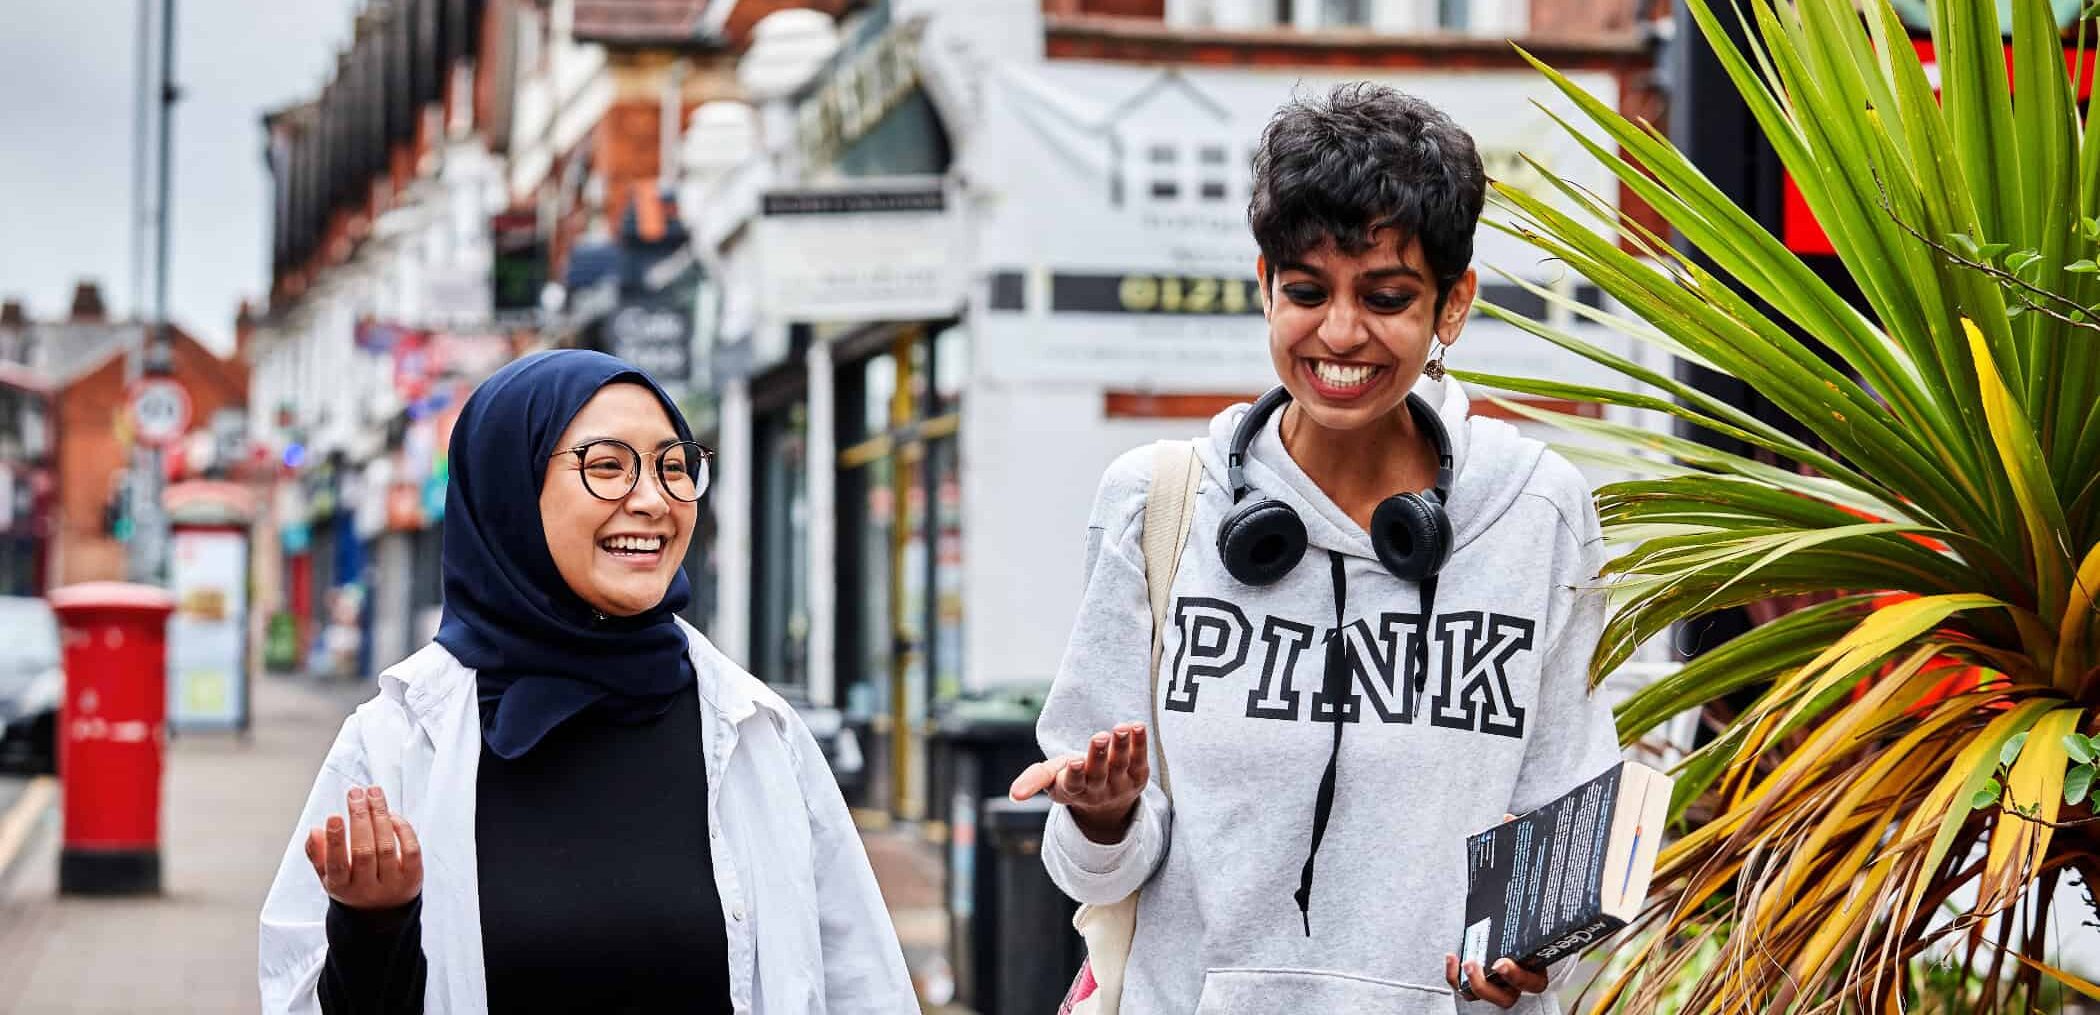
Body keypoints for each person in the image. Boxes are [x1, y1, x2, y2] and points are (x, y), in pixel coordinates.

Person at [1009, 84, 1621, 1013]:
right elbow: (1092, 871)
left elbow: (1572, 807)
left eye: (1386, 297)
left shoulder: (1540, 509)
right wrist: (1101, 812)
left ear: (1452, 305)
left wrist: (1530, 951)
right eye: (1305, 291)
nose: (1339, 332)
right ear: (1265, 285)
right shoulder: (1159, 501)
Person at [259, 350, 917, 1013]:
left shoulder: (756, 730)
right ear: (509, 490)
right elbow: (298, 994)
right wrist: (373, 927)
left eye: (673, 466)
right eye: (608, 466)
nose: (654, 500)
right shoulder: (396, 743)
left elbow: (863, 987)